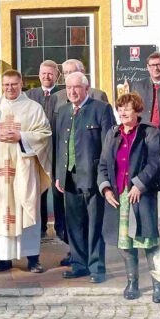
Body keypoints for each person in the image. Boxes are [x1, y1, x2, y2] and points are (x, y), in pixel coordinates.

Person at [0, 70, 50, 274]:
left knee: (26, 207)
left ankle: (33, 258)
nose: (9, 88)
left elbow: (45, 134)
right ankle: (3, 258)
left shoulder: (33, 108)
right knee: (2, 210)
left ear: (21, 85)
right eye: (6, 85)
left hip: (24, 169)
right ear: (1, 85)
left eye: (14, 84)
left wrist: (22, 136)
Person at [98, 93, 160, 301]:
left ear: (137, 111)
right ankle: (132, 283)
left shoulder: (149, 132)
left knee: (148, 242)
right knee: (125, 242)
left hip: (141, 196)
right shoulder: (113, 133)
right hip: (119, 196)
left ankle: (158, 286)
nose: (123, 113)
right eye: (120, 109)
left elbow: (154, 162)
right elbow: (103, 165)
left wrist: (139, 184)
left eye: (127, 109)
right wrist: (106, 188)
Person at [54, 71, 116, 283]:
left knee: (95, 224)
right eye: (68, 88)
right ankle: (79, 264)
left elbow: (109, 147)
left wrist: (105, 178)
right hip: (69, 176)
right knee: (74, 224)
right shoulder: (62, 111)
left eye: (76, 87)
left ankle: (97, 267)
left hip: (93, 177)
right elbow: (59, 144)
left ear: (86, 89)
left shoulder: (101, 109)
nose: (72, 91)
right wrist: (58, 175)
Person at [131, 52, 160, 239]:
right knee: (147, 184)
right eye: (152, 65)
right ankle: (148, 233)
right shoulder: (139, 86)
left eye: (159, 64)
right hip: (146, 142)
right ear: (147, 67)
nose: (156, 68)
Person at [25, 59, 63, 239]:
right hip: (36, 151)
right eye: (43, 73)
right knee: (38, 190)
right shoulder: (30, 95)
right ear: (39, 75)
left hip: (57, 150)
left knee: (57, 189)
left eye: (50, 73)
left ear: (57, 75)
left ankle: (61, 228)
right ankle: (39, 229)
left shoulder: (63, 94)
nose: (46, 76)